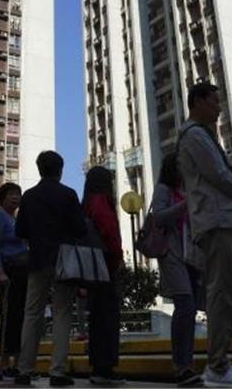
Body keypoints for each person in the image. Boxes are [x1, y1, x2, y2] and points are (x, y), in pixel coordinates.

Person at [176, 82, 232, 388]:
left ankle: (219, 363)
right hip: (216, 221)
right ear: (197, 102)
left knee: (224, 292)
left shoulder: (203, 135)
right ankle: (218, 366)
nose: (218, 107)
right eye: (213, 101)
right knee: (222, 293)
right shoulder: (195, 135)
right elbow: (219, 175)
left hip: (220, 221)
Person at [15, 150, 88, 387]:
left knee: (32, 313)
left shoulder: (29, 196)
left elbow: (20, 232)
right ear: (60, 170)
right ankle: (57, 371)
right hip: (63, 260)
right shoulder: (68, 194)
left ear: (39, 169)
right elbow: (80, 229)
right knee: (62, 313)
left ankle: (24, 369)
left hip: (37, 260)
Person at [148, 153, 202, 387]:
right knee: (185, 305)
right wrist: (185, 204)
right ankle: (180, 365)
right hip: (171, 254)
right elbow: (158, 217)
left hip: (191, 256)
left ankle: (186, 364)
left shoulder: (186, 188)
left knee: (190, 310)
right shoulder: (163, 189)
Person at [82, 166, 125, 387]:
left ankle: (99, 366)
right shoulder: (100, 201)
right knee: (108, 317)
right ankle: (105, 368)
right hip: (106, 267)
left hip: (92, 268)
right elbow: (108, 229)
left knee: (97, 318)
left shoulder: (87, 202)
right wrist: (118, 256)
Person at [0, 182, 28, 381]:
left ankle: (18, 364)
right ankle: (2, 365)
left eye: (18, 194)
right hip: (6, 271)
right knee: (8, 316)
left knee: (19, 316)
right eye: (11, 194)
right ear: (2, 197)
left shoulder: (17, 219)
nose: (15, 198)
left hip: (21, 271)